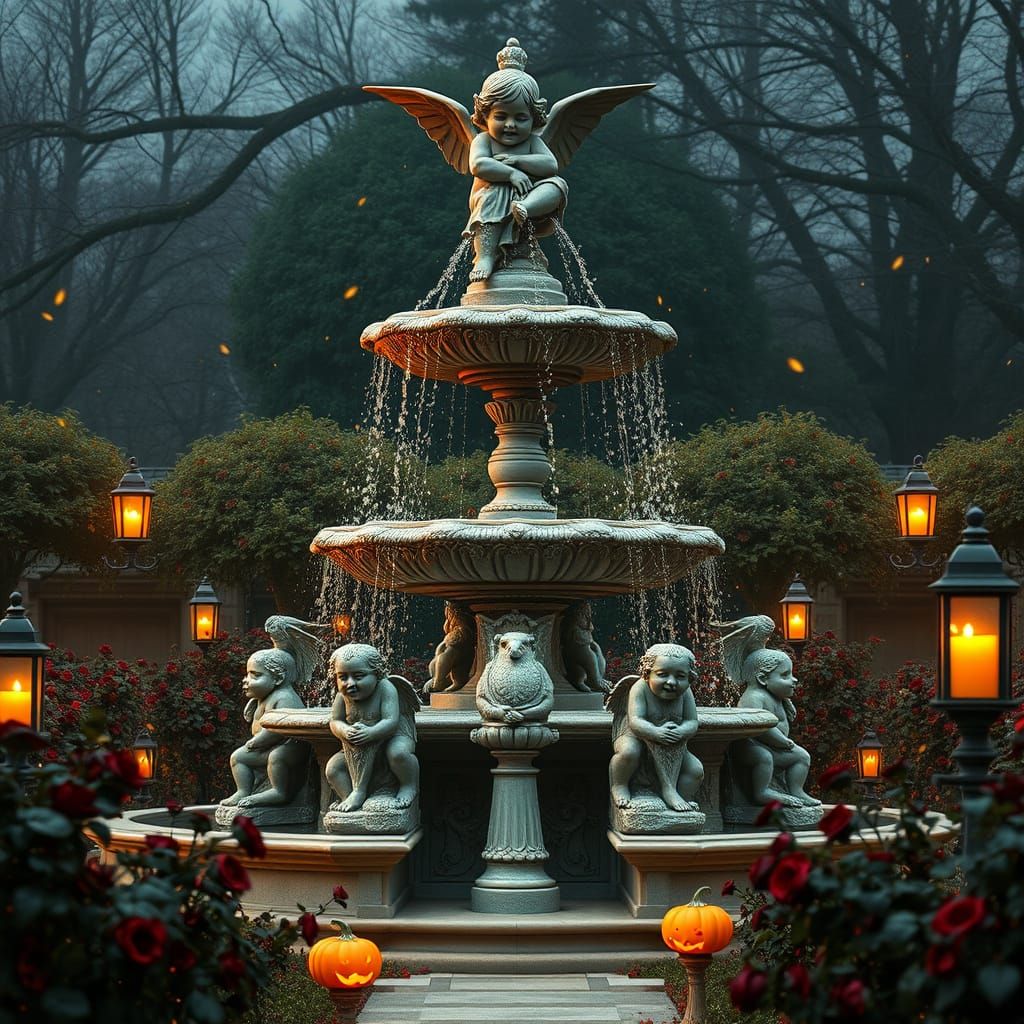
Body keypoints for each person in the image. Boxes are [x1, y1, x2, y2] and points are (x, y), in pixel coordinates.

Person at [463, 62, 567, 281]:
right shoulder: (484, 140)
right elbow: (478, 165)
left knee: (557, 185)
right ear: (485, 116)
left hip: (527, 196)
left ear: (534, 119)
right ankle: (485, 256)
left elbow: (550, 165)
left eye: (520, 118)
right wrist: (511, 174)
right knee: (493, 195)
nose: (510, 124)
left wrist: (517, 160)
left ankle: (524, 208)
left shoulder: (533, 142)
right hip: (490, 196)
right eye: (501, 117)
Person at [608, 643, 704, 812]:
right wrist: (656, 732)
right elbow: (635, 721)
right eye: (662, 674)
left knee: (695, 769)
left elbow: (692, 722)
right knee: (628, 752)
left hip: (671, 739)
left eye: (680, 676)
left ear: (690, 678)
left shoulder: (686, 693)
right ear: (647, 674)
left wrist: (681, 731)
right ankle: (619, 785)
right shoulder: (639, 688)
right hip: (635, 735)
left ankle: (681, 797)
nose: (671, 682)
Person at [325, 643, 419, 813]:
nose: (350, 683)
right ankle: (349, 798)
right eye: (343, 677)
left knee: (398, 753)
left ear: (376, 673)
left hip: (392, 737)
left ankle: (408, 786)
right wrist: (344, 730)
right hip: (360, 743)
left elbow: (391, 722)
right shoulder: (342, 696)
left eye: (359, 676)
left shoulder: (385, 688)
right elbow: (335, 721)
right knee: (333, 768)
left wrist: (371, 732)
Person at [221, 648, 308, 807]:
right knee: (238, 757)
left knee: (277, 757)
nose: (246, 680)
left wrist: (258, 741)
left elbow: (279, 728)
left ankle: (279, 792)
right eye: (247, 674)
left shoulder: (285, 697)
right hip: (267, 746)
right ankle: (243, 790)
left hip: (290, 746)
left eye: (255, 675)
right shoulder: (263, 697)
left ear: (278, 678)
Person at [734, 649, 818, 808]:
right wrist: (781, 741)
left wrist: (787, 703)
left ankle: (796, 790)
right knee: (764, 757)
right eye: (785, 675)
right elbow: (759, 725)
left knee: (802, 757)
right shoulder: (753, 697)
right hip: (752, 747)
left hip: (774, 746)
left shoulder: (775, 695)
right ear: (762, 678)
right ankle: (762, 792)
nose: (794, 679)